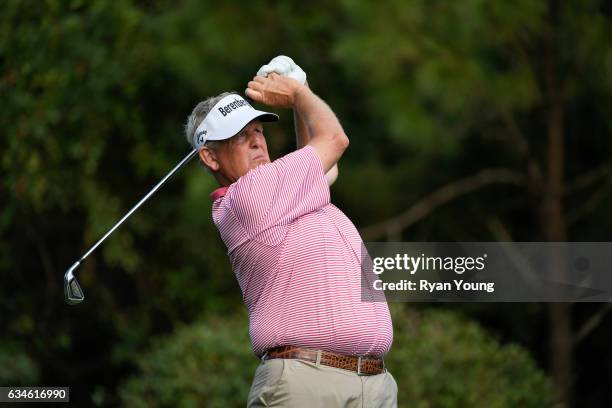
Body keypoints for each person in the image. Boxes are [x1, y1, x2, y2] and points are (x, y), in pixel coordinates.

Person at [184, 56, 397, 407]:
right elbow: (334, 139)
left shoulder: (279, 194)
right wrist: (298, 93)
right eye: (239, 136)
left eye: (258, 131)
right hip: (305, 383)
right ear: (209, 157)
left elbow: (324, 170)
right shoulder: (248, 196)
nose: (256, 142)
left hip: (372, 384)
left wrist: (302, 92)